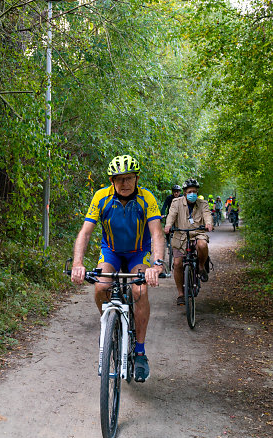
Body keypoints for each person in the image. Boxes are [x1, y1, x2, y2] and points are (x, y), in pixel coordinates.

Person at [71, 155, 165, 382]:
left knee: (139, 291)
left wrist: (157, 265)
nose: (125, 184)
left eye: (130, 178)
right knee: (100, 286)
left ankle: (140, 353)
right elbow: (85, 232)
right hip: (111, 251)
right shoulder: (101, 197)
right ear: (112, 180)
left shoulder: (146, 198)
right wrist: (77, 263)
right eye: (120, 179)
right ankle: (109, 325)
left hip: (138, 253)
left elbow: (156, 233)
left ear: (136, 178)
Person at [164, 179, 213, 306]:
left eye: (195, 192)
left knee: (202, 245)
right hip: (180, 235)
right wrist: (168, 226)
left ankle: (201, 267)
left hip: (197, 233)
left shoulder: (203, 203)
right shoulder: (176, 202)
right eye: (190, 192)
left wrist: (208, 223)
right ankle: (181, 294)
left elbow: (207, 215)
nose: (193, 194)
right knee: (177, 263)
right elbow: (171, 215)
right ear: (185, 193)